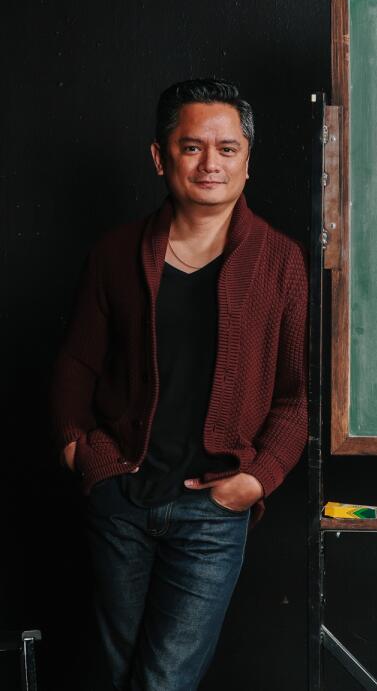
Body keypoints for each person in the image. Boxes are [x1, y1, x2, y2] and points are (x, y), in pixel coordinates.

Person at [50, 78, 308, 690]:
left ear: (248, 160)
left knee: (163, 681)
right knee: (116, 674)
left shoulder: (280, 261)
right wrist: (76, 448)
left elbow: (296, 395)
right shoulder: (116, 253)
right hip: (120, 500)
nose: (210, 163)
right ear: (160, 157)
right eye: (192, 147)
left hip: (212, 510)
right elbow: (76, 362)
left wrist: (257, 478)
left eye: (227, 148)